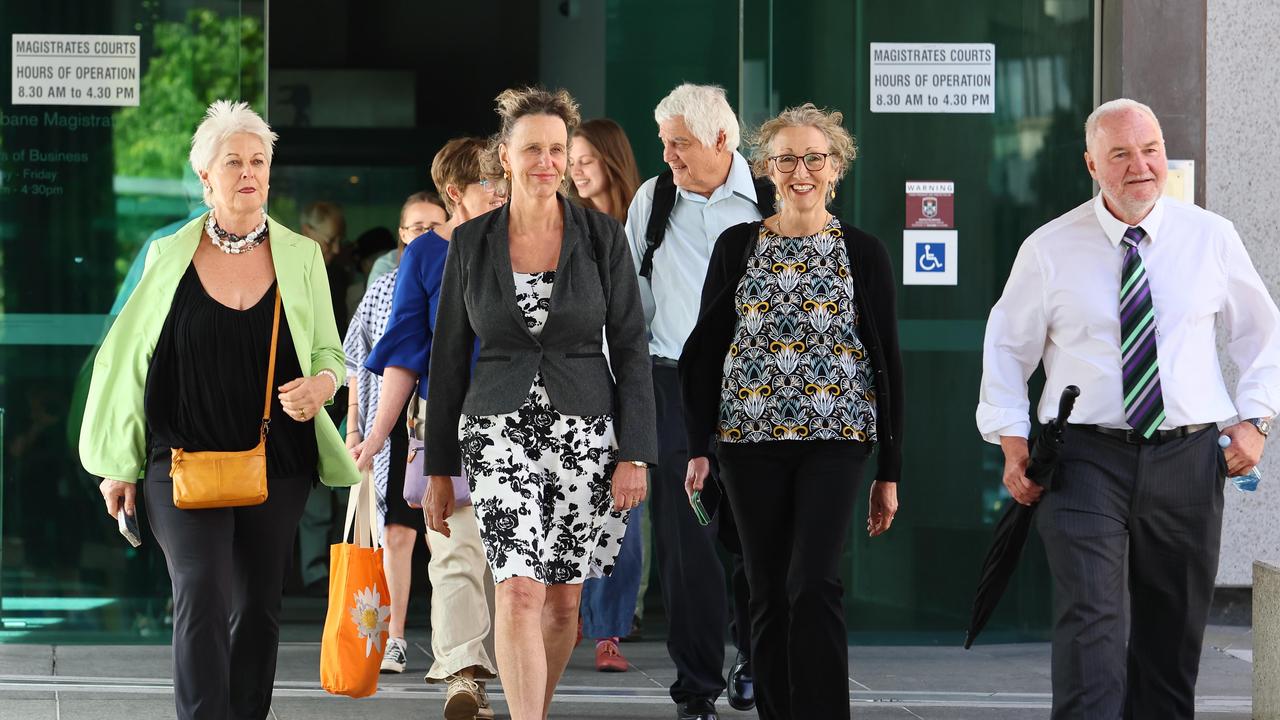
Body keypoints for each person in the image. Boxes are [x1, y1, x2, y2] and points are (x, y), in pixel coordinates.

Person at [977, 98, 1280, 720]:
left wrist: (1258, 421)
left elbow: (1261, 335)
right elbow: (1007, 348)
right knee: (1092, 630)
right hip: (1084, 460)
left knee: (1170, 646)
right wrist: (1012, 442)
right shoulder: (1050, 247)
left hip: (1191, 459)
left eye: (1151, 149)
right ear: (1092, 164)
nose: (1140, 166)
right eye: (1120, 154)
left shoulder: (1210, 237)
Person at [80, 99, 359, 720]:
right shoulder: (167, 255)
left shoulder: (302, 256)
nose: (248, 172)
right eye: (232, 161)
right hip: (178, 455)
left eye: (258, 160)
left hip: (276, 458)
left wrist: (321, 385)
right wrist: (118, 464)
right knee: (200, 590)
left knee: (257, 605)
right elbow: (128, 360)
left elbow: (330, 354)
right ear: (205, 177)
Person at [422, 87, 656, 720]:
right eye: (532, 149)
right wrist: (439, 470)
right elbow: (446, 361)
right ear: (505, 155)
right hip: (496, 433)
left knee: (561, 605)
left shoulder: (604, 237)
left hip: (587, 433)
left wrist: (635, 452)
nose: (547, 162)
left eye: (558, 149)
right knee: (519, 592)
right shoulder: (470, 242)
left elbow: (632, 349)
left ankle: (535, 710)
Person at [680, 103, 903, 720]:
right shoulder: (738, 246)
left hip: (837, 438)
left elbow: (888, 363)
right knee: (766, 587)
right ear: (766, 169)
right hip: (748, 443)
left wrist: (891, 470)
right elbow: (704, 353)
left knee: (813, 582)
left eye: (814, 158)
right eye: (785, 159)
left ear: (836, 168)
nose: (800, 171)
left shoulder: (864, 252)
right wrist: (699, 446)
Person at [623, 82, 768, 720]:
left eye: (679, 143)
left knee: (759, 538)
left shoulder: (768, 196)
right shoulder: (652, 200)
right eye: (664, 142)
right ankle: (696, 688)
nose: (669, 154)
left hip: (762, 391)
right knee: (690, 542)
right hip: (674, 384)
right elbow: (628, 298)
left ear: (721, 140)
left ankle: (757, 661)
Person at [354, 138, 506, 718]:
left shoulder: (528, 242)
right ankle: (464, 676)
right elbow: (402, 357)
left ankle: (507, 673)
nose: (501, 192)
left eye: (503, 181)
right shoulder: (424, 256)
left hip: (526, 425)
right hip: (448, 424)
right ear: (455, 193)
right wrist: (373, 436)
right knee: (453, 554)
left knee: (509, 565)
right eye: (489, 183)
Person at [342, 192, 448, 675]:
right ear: (401, 234)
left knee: (444, 537)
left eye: (435, 224)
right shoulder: (383, 287)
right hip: (395, 423)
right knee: (396, 535)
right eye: (415, 226)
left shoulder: (461, 273)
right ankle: (396, 637)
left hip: (442, 417)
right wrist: (356, 425)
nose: (425, 233)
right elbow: (353, 358)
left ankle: (452, 642)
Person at [568, 117, 646, 673]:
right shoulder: (562, 222)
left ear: (611, 161)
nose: (574, 170)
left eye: (584, 160)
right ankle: (575, 615)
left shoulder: (644, 222)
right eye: (571, 160)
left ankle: (609, 628)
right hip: (577, 376)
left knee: (626, 509)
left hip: (632, 373)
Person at [368, 192, 447, 286]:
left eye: (435, 228)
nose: (427, 236)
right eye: (417, 229)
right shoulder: (387, 268)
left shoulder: (459, 269)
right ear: (403, 235)